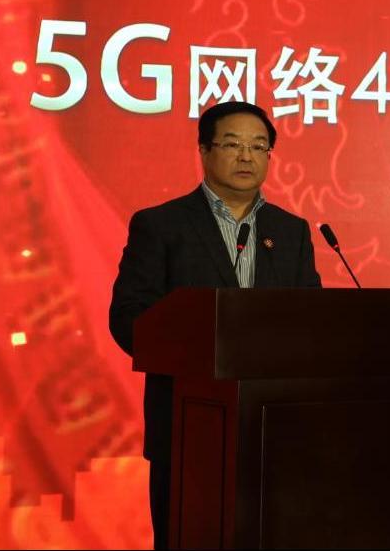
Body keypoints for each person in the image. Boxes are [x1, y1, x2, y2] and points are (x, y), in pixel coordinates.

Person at [109, 101, 321, 550]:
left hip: (274, 432)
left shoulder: (292, 232)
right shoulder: (161, 225)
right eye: (232, 144)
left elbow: (312, 319)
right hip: (189, 429)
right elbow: (128, 318)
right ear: (204, 151)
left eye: (258, 146)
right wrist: (200, 349)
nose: (246, 156)